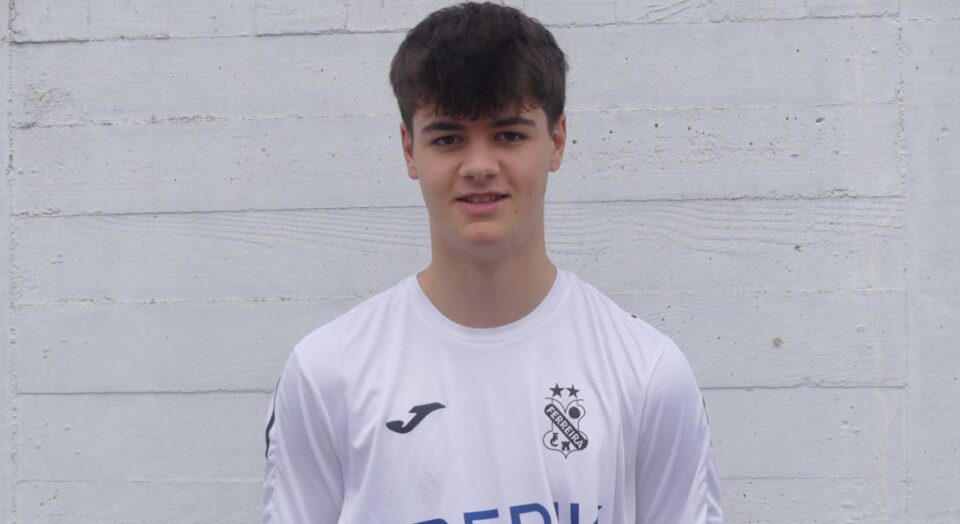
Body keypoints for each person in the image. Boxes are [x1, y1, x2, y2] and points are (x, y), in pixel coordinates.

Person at [262, 2, 722, 523]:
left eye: (508, 135)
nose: (479, 166)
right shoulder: (327, 375)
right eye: (448, 138)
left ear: (556, 141)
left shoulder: (647, 373)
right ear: (410, 150)